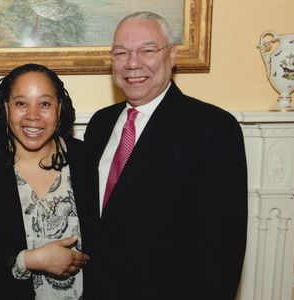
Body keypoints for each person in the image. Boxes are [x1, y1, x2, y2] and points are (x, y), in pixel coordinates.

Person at [84, 11, 248, 299]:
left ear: (171, 55)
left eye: (148, 50)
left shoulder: (213, 128)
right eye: (121, 52)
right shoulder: (100, 124)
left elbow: (222, 247)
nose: (133, 63)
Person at [0, 63, 98, 299]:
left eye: (45, 104)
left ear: (59, 109)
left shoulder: (86, 158)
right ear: (6, 108)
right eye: (21, 103)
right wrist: (30, 260)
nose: (33, 116)